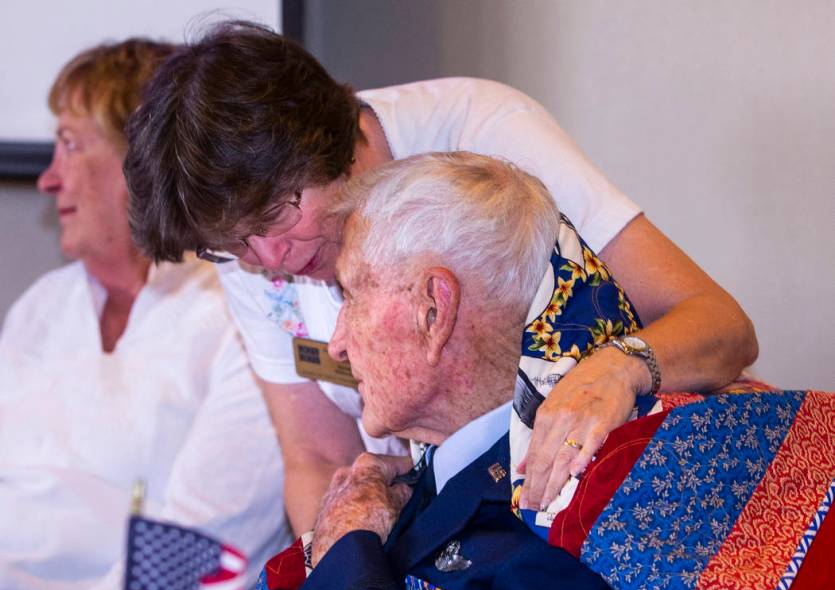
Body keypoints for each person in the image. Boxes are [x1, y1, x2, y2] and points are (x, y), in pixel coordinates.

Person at [124, 21, 758, 535]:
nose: (272, 258)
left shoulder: (482, 143)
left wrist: (617, 367)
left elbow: (722, 325)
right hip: (454, 536)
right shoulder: (254, 248)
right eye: (233, 244)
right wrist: (343, 580)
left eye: (275, 214)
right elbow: (318, 457)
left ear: (330, 140)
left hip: (611, 503)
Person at [267, 152, 669, 590]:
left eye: (351, 295)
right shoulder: (438, 479)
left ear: (433, 311)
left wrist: (343, 551)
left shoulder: (571, 524)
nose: (337, 343)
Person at [0, 39, 290, 590]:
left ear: (142, 160)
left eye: (71, 146)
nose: (49, 179)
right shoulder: (42, 309)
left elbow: (206, 537)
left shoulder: (241, 310)